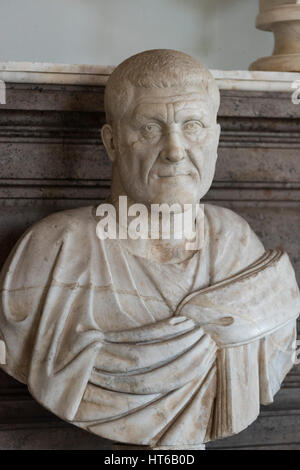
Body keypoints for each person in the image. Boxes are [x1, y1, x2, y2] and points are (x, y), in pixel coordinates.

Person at [0, 50, 299, 449]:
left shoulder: (239, 247)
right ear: (111, 142)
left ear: (215, 137)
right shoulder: (55, 251)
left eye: (192, 125)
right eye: (150, 128)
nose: (175, 149)